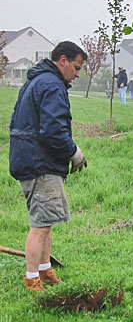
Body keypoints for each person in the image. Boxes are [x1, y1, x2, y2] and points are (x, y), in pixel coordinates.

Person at [9, 41, 88, 291]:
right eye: (75, 67)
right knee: (40, 226)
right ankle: (31, 278)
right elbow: (53, 131)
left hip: (29, 158)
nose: (77, 74)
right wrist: (74, 152)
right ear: (62, 60)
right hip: (40, 163)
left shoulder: (36, 80)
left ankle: (44, 270)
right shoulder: (52, 85)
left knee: (46, 220)